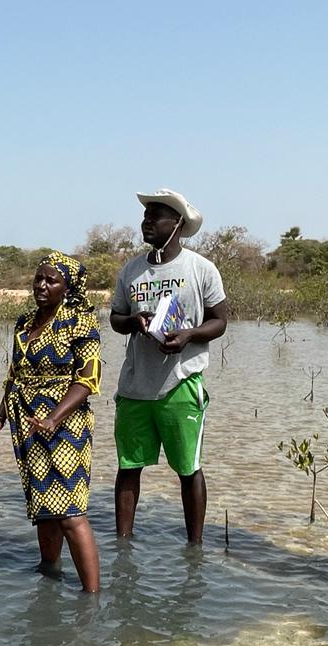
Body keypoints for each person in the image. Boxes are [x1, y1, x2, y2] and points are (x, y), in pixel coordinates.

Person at [0, 251, 102, 592]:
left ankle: (91, 598)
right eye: (38, 279)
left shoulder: (80, 322)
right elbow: (14, 375)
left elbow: (88, 381)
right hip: (27, 423)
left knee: (70, 510)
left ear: (67, 288)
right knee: (44, 506)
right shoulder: (24, 323)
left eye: (51, 280)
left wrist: (54, 419)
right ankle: (49, 577)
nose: (41, 285)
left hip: (65, 423)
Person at [109, 189, 228, 544]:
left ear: (177, 224)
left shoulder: (200, 269)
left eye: (155, 217)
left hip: (181, 383)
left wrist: (190, 334)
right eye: (145, 217)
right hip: (134, 386)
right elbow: (116, 317)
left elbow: (220, 321)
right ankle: (123, 545)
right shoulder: (131, 269)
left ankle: (196, 548)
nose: (146, 223)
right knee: (128, 467)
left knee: (188, 469)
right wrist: (134, 321)